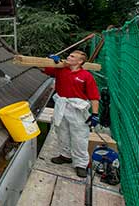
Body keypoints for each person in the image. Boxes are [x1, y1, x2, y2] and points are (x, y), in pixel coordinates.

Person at [43, 50, 100, 178]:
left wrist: (94, 114)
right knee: (62, 131)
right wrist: (49, 59)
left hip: (77, 109)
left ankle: (81, 164)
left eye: (72, 56)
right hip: (62, 106)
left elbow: (94, 96)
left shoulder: (86, 76)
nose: (68, 57)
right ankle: (65, 155)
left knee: (79, 136)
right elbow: (42, 68)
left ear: (80, 61)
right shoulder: (60, 70)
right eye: (69, 55)